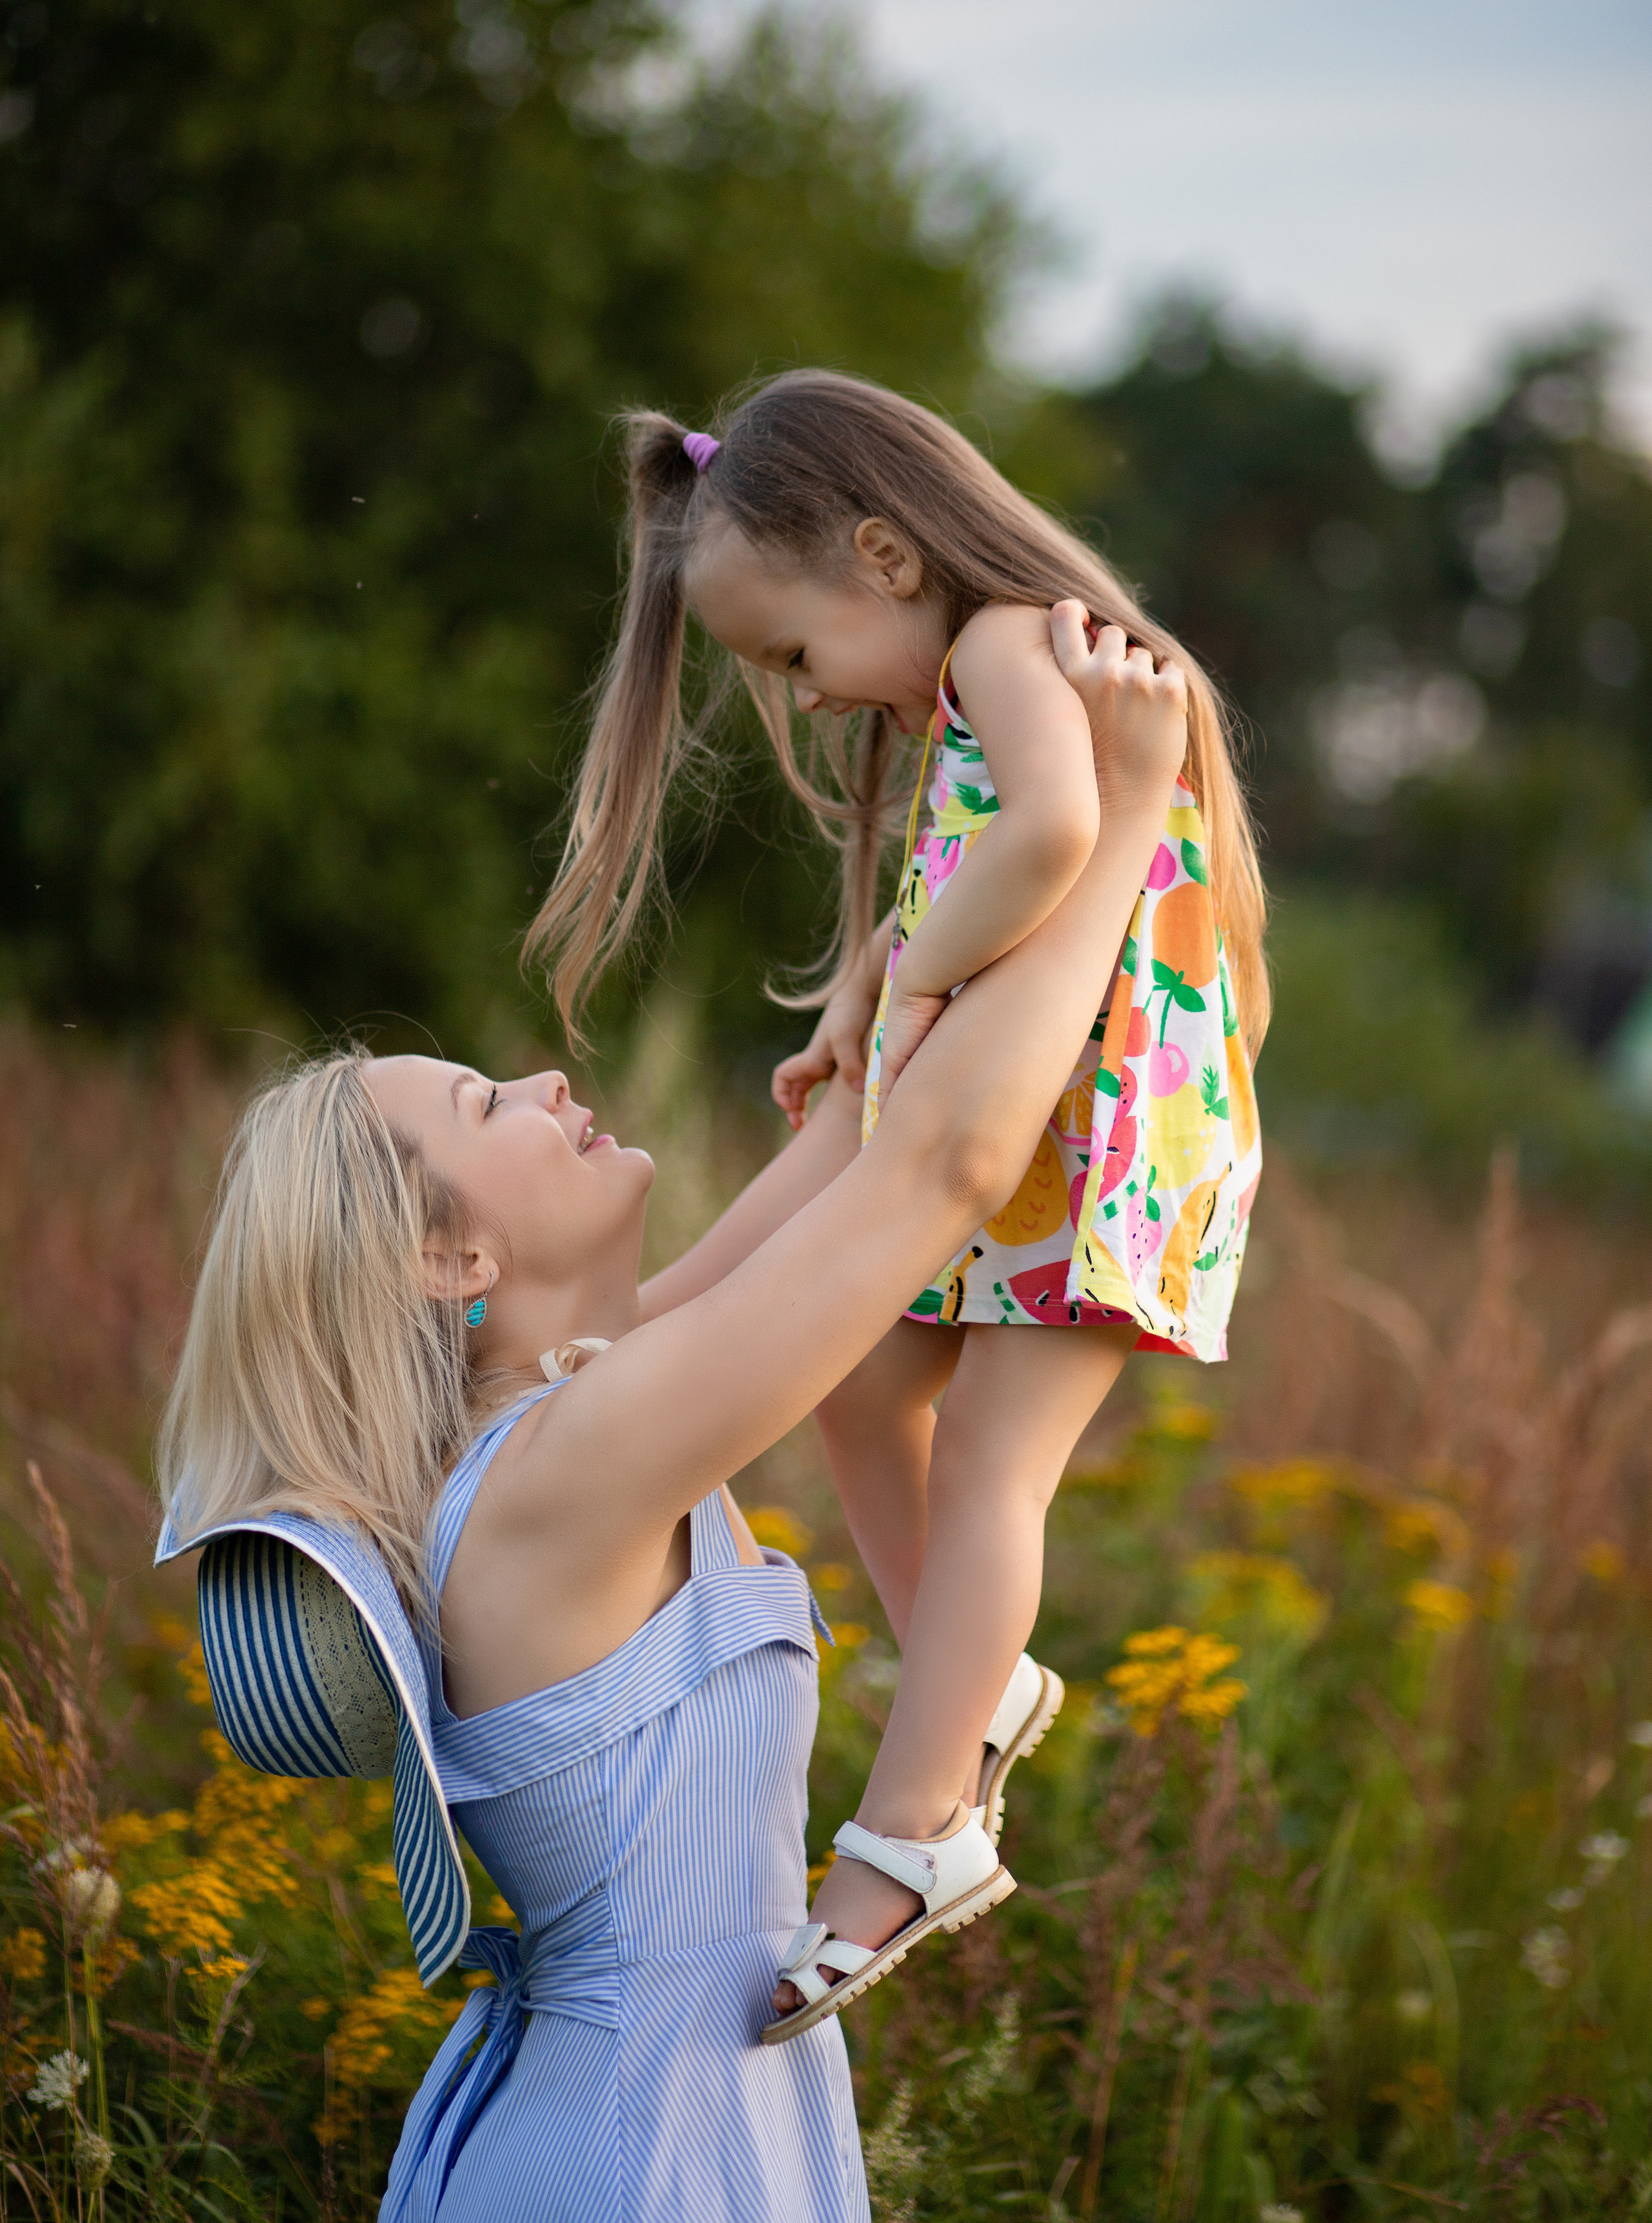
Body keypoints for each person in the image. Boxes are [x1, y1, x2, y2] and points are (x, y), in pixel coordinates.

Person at [157, 613, 1188, 2220]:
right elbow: (943, 1167)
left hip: (658, 2108)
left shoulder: (582, 1409)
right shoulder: (570, 1466)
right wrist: (1118, 821)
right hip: (639, 2148)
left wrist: (898, 968)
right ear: (451, 1259)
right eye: (486, 1104)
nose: (546, 1083)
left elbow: (862, 1150)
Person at [526, 372, 1265, 2034]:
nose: (801, 697)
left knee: (998, 1457)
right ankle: (966, 1682)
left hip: (1097, 1119)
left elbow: (1059, 832)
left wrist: (909, 982)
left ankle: (913, 1832)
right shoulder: (968, 682)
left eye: (793, 655)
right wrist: (875, 976)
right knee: (864, 1385)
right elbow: (987, 855)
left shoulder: (1005, 637)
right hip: (1036, 1096)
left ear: (879, 553)